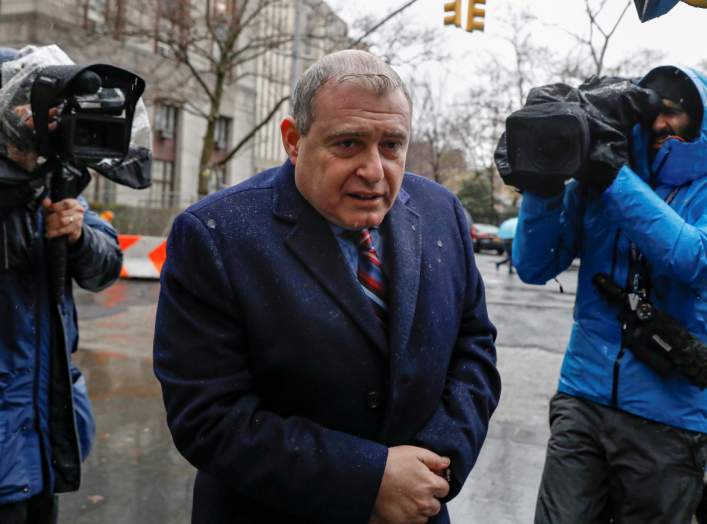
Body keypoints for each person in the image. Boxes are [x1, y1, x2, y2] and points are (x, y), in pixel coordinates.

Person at [154, 49, 501, 524]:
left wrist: (433, 466)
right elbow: (208, 417)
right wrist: (369, 478)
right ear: (294, 140)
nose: (374, 170)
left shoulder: (442, 212)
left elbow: (474, 348)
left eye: (392, 145)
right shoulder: (215, 234)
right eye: (348, 144)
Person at [513, 64, 707, 523]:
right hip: (582, 397)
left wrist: (613, 176)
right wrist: (542, 183)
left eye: (675, 113)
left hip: (671, 420)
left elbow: (690, 259)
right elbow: (534, 265)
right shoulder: (602, 176)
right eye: (654, 113)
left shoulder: (616, 178)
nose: (660, 124)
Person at [0, 48, 123, 523]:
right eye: (26, 105)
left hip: (42, 430)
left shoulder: (54, 182)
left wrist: (76, 235)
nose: (43, 120)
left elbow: (104, 268)